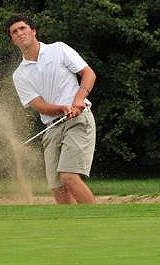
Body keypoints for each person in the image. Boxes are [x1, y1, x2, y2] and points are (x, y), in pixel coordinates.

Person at [7, 13, 97, 204]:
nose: (19, 33)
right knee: (58, 188)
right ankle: (70, 230)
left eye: (23, 28)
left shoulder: (59, 49)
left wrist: (79, 98)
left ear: (33, 31)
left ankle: (97, 222)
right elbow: (39, 105)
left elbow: (88, 73)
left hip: (77, 120)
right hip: (52, 127)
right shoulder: (19, 75)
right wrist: (62, 108)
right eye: (14, 32)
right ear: (13, 40)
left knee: (68, 177)